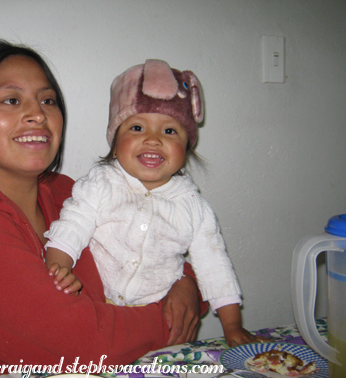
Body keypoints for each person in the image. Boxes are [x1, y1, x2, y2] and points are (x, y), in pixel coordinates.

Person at [0, 40, 208, 378]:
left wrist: (187, 283)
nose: (38, 114)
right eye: (11, 100)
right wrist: (168, 317)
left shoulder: (69, 194)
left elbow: (148, 246)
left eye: (48, 101)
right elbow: (84, 344)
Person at [45, 59, 266, 347]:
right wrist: (57, 267)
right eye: (137, 128)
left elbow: (214, 265)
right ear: (115, 141)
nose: (152, 140)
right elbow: (73, 223)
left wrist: (232, 325)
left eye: (170, 131)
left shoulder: (193, 207)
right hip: (96, 311)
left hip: (159, 323)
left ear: (187, 147)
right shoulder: (101, 183)